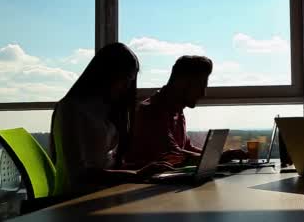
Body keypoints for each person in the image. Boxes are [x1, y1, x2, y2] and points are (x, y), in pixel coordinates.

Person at [50, 43, 173, 196]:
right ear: (105, 75)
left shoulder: (104, 109)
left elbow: (105, 163)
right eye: (125, 80)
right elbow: (79, 174)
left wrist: (146, 167)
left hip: (103, 194)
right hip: (74, 201)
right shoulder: (71, 108)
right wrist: (136, 174)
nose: (127, 87)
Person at [125, 55, 246, 168]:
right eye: (200, 86)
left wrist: (221, 155)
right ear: (182, 83)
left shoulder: (177, 111)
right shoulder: (151, 111)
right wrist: (220, 158)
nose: (203, 93)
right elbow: (174, 154)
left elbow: (187, 148)